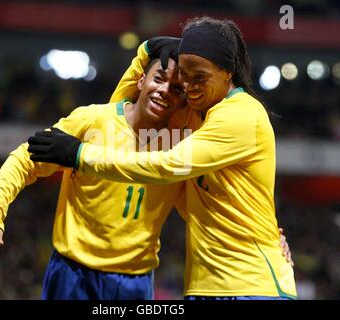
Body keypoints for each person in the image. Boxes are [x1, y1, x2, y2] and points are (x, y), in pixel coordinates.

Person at [28, 16, 297, 299]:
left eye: (200, 77)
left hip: (254, 286)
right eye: (186, 77)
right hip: (207, 284)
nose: (191, 86)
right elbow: (122, 114)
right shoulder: (192, 113)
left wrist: (79, 154)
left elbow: (168, 165)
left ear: (227, 72)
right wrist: (145, 52)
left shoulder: (241, 115)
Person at [0, 57, 190, 300]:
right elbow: (25, 159)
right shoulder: (93, 121)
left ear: (184, 99)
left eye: (176, 88)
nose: (164, 91)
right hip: (73, 272)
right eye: (159, 79)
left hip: (135, 281)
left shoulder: (183, 145)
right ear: (141, 80)